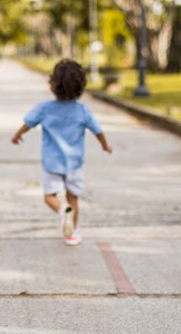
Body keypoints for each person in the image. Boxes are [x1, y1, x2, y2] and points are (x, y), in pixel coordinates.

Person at [11, 59, 112, 246]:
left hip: (52, 163)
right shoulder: (83, 111)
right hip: (74, 163)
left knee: (49, 196)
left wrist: (17, 135)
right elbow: (98, 131)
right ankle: (72, 234)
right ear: (81, 86)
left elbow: (28, 124)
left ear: (53, 84)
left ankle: (60, 209)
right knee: (73, 198)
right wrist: (105, 146)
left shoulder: (44, 108)